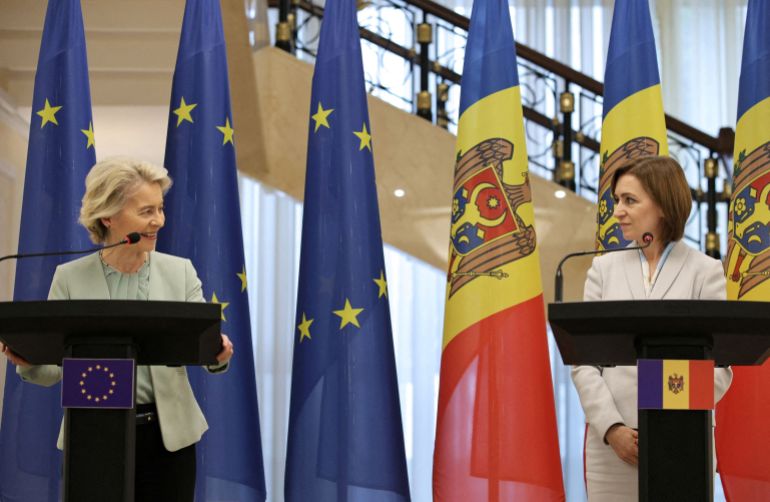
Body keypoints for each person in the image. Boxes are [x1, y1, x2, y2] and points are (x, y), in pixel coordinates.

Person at [1, 156, 233, 501]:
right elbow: (51, 371)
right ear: (107, 216)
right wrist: (28, 360)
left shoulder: (180, 272)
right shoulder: (69, 277)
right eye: (146, 212)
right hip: (92, 435)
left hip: (167, 439)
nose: (159, 221)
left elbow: (206, 351)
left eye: (160, 208)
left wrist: (219, 354)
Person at [571, 155, 732, 501]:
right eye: (617, 200)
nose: (617, 211)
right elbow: (584, 363)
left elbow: (719, 368)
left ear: (662, 204)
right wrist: (613, 428)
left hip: (685, 439)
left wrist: (663, 419)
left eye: (629, 200)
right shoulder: (603, 270)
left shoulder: (705, 272)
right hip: (611, 448)